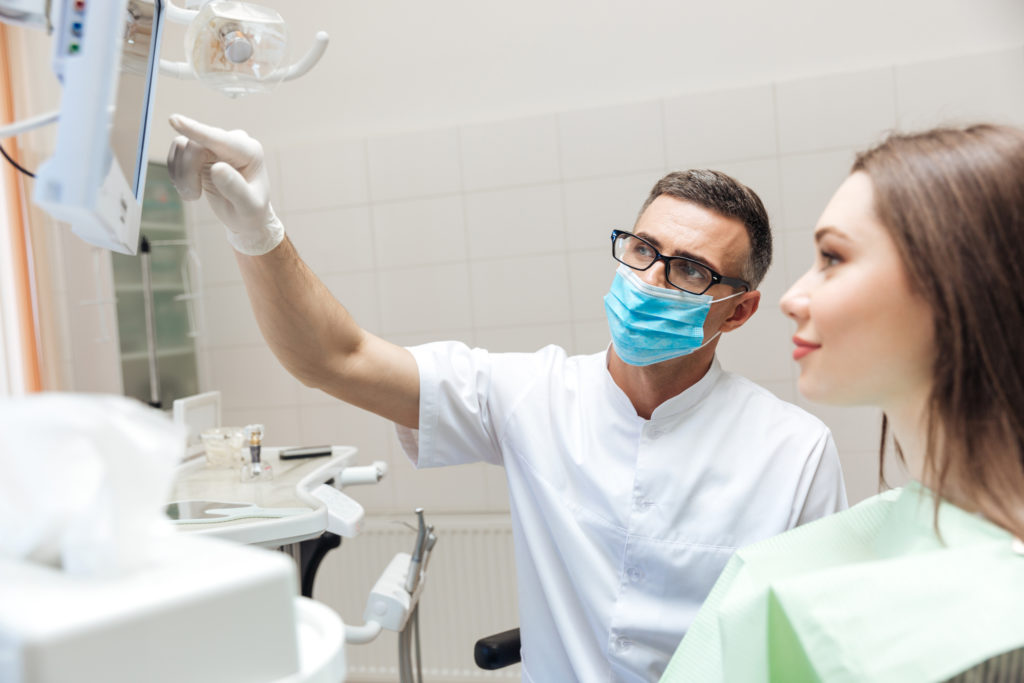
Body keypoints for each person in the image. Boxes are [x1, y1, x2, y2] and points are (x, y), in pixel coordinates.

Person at [166, 114, 848, 682]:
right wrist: (258, 234)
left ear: (739, 310)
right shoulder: (533, 395)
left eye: (691, 270)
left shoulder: (792, 451)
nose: (652, 279)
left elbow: (817, 651)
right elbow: (333, 357)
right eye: (643, 249)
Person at [660, 123, 1024, 683]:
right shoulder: (784, 576)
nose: (792, 298)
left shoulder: (984, 619)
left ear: (961, 281)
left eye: (832, 258)